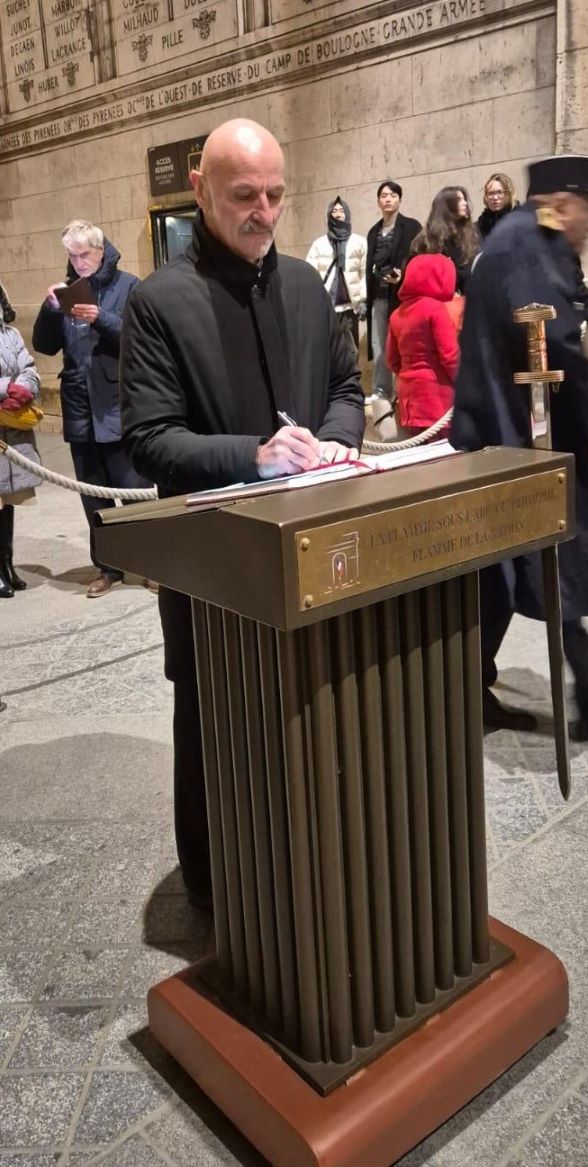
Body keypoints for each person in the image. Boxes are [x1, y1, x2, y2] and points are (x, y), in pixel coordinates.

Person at [120, 118, 364, 906]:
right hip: (215, 567)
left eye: (273, 195)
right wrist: (254, 455)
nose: (263, 211)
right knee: (215, 725)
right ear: (198, 191)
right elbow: (150, 441)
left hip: (315, 548)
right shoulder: (159, 303)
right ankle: (216, 889)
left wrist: (330, 441)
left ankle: (312, 868)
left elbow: (345, 389)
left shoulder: (301, 283)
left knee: (312, 712)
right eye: (243, 197)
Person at [452, 155, 588, 745]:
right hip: (523, 437)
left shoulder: (522, 237)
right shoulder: (533, 241)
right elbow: (549, 337)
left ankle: (466, 684)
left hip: (503, 433)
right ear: (562, 204)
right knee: (558, 561)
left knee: (506, 571)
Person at [32, 220, 150, 597]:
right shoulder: (66, 292)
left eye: (84, 254)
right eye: (72, 255)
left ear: (100, 251)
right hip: (80, 408)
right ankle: (108, 568)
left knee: (134, 490)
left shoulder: (128, 286)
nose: (79, 262)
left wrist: (103, 319)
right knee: (93, 495)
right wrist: (51, 310)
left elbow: (143, 339)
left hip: (118, 408)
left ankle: (152, 565)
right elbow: (44, 345)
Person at [385, 253, 458, 437]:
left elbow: (392, 360)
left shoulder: (396, 314)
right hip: (437, 400)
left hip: (409, 401)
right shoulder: (435, 309)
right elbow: (451, 357)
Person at [0, 294, 42, 599]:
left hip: (12, 426)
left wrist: (25, 387)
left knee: (7, 501)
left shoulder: (10, 334)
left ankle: (6, 564)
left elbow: (28, 366)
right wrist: (4, 388)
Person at [365, 181, 421, 402]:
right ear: (378, 201)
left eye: (393, 195)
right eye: (384, 195)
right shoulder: (373, 231)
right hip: (379, 296)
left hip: (403, 297)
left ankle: (405, 389)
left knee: (404, 345)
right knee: (379, 344)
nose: (388, 199)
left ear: (400, 199)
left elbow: (418, 257)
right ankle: (381, 389)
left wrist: (401, 273)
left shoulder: (412, 227)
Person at [306, 196, 367, 361]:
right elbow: (310, 273)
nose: (338, 214)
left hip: (350, 306)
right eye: (334, 210)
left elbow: (364, 274)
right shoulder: (319, 244)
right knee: (328, 350)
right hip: (327, 305)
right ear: (328, 215)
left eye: (341, 210)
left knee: (352, 352)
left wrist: (363, 300)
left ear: (347, 213)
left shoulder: (359, 242)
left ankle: (352, 383)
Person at [411, 186, 478, 294]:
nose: (465, 203)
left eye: (465, 199)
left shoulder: (471, 235)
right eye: (459, 199)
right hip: (439, 302)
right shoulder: (427, 240)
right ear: (446, 205)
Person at [476, 173, 518, 240]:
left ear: (508, 194)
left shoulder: (520, 219)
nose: (495, 197)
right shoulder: (481, 225)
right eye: (490, 193)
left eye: (499, 192)